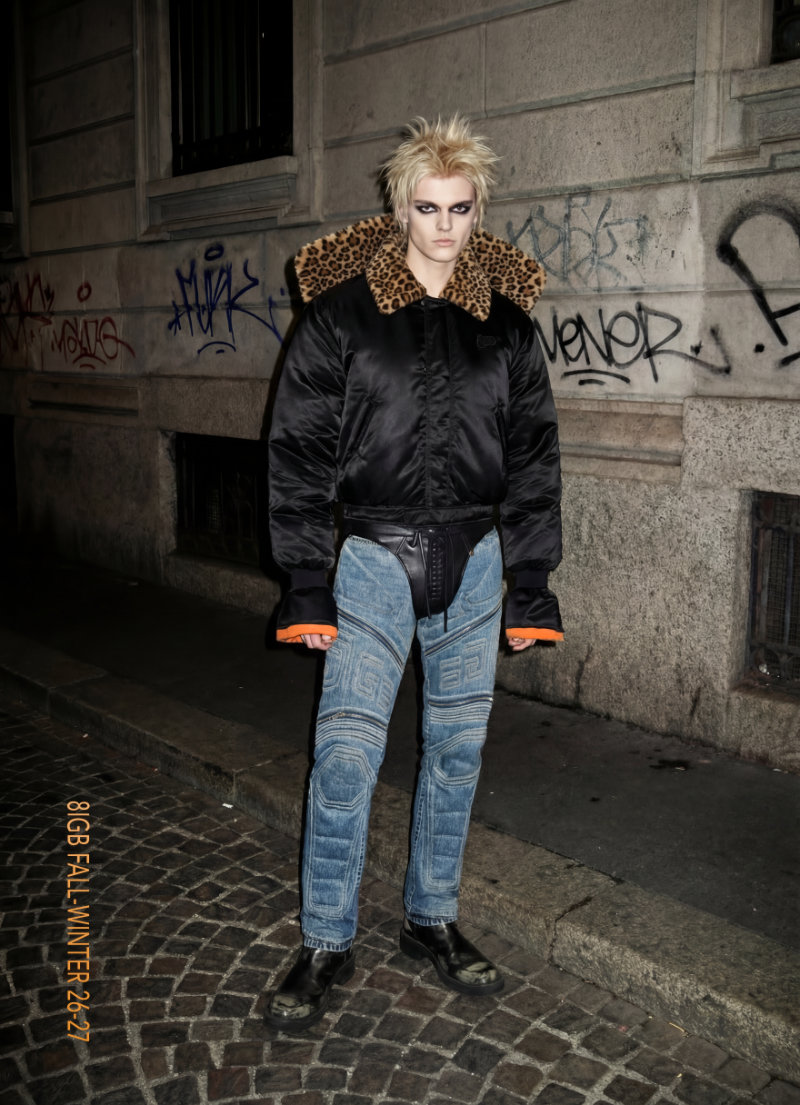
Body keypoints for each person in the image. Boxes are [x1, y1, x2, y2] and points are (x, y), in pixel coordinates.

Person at [265, 115, 563, 1031]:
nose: (443, 227)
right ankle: (326, 938)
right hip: (371, 560)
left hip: (475, 562)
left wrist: (531, 581)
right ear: (399, 209)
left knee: (456, 754)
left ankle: (430, 919)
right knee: (345, 757)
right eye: (427, 208)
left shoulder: (506, 327)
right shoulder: (340, 317)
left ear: (479, 211)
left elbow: (534, 458)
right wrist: (305, 579)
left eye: (459, 209)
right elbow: (298, 451)